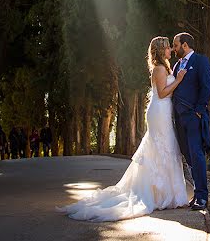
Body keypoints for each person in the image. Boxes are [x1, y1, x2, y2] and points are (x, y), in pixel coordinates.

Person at [57, 36, 188, 222]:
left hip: (164, 110)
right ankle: (159, 195)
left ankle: (168, 194)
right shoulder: (159, 69)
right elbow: (162, 93)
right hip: (159, 111)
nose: (170, 51)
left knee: (167, 147)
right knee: (162, 147)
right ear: (160, 51)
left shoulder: (165, 67)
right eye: (167, 48)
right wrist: (179, 80)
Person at [172, 32, 210, 210]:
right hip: (179, 118)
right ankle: (196, 194)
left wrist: (198, 110)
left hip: (194, 116)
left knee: (197, 154)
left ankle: (202, 197)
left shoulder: (200, 61)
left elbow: (207, 86)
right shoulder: (176, 66)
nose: (174, 49)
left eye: (175, 45)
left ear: (185, 45)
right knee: (188, 156)